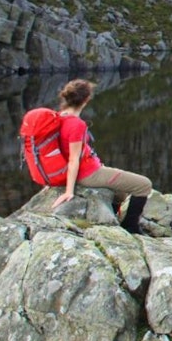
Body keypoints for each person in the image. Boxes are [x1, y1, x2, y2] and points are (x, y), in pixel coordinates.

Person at [49, 78, 153, 234]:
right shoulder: (76, 124)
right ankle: (130, 226)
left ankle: (112, 217)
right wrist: (69, 191)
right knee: (143, 185)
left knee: (121, 192)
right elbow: (73, 159)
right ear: (86, 100)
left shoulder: (59, 117)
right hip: (88, 174)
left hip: (88, 168)